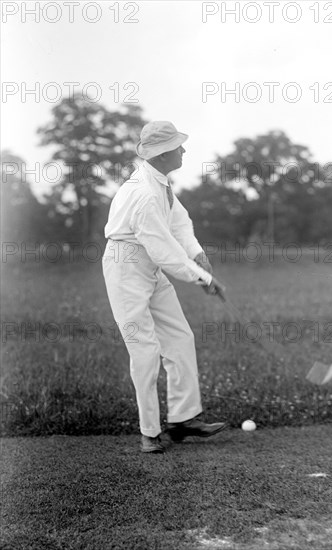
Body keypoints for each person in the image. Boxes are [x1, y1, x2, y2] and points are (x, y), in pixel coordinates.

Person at [102, 121, 227, 453]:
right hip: (125, 267)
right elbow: (164, 250)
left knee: (180, 337)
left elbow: (179, 223)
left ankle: (183, 420)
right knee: (144, 350)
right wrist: (204, 279)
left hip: (149, 264)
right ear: (160, 154)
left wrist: (199, 255)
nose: (183, 149)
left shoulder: (160, 184)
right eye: (177, 146)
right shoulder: (144, 193)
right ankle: (149, 432)